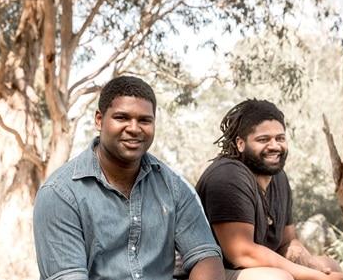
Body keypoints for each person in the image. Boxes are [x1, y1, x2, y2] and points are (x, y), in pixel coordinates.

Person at [33, 76, 224, 280]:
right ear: (99, 120)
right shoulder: (60, 193)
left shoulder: (173, 186)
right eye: (122, 117)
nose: (134, 128)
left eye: (144, 120)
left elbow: (206, 255)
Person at [195, 99, 343, 280]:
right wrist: (314, 277)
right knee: (277, 278)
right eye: (263, 139)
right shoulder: (228, 177)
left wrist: (319, 271)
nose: (275, 146)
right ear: (240, 143)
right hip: (209, 272)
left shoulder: (277, 177)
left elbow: (286, 242)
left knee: (328, 265)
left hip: (247, 268)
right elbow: (241, 254)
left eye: (280, 138)